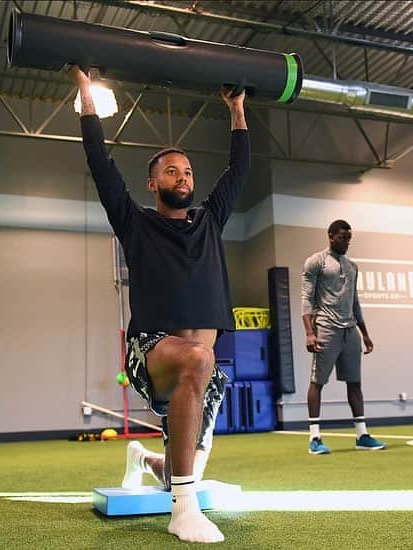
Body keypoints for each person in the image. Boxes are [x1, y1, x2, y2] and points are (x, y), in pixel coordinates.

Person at [71, 66, 249, 542]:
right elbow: (98, 161)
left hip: (202, 373)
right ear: (152, 183)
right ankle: (182, 512)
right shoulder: (135, 223)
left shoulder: (210, 220)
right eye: (171, 169)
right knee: (197, 358)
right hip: (152, 352)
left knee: (176, 471)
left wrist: (236, 110)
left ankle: (146, 460)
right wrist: (86, 91)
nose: (182, 175)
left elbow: (240, 170)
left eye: (188, 170)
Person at [301, 219, 386, 455]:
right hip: (326, 327)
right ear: (330, 236)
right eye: (342, 237)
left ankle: (362, 435)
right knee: (318, 382)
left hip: (350, 330)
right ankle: (314, 438)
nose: (346, 242)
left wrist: (365, 333)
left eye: (349, 238)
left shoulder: (352, 266)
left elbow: (354, 301)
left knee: (355, 382)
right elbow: (306, 298)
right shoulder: (316, 262)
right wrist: (309, 332)